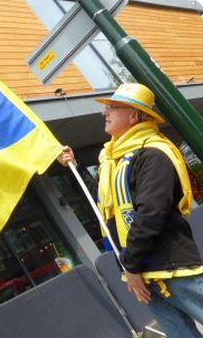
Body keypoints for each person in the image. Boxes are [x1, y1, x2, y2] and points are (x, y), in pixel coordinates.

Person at [57, 83, 203, 338]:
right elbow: (102, 203)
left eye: (113, 107)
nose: (105, 112)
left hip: (174, 269)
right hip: (141, 274)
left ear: (134, 115)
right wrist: (76, 169)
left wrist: (131, 267)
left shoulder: (154, 154)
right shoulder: (112, 161)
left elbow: (151, 214)